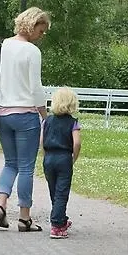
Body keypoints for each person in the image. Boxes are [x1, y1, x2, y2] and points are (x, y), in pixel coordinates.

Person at [0, 7, 51, 233]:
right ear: (32, 25)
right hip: (26, 114)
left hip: (2, 113)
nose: (41, 36)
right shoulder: (31, 51)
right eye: (41, 31)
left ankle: (1, 204)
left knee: (10, 163)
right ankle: (24, 217)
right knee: (26, 167)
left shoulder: (0, 46)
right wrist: (44, 115)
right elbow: (35, 87)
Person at [41, 88, 82, 239]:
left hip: (49, 157)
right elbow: (77, 143)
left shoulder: (47, 121)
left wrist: (45, 156)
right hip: (64, 158)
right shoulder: (73, 122)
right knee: (62, 193)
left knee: (54, 191)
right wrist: (73, 158)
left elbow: (41, 141)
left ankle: (61, 218)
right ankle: (57, 226)